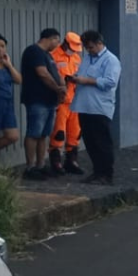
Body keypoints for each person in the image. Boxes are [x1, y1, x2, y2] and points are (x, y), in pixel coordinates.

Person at [69, 30, 122, 186]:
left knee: (102, 142)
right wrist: (75, 78)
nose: (89, 50)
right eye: (87, 48)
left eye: (91, 47)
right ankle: (97, 172)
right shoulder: (87, 58)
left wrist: (86, 81)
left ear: (100, 43)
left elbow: (110, 82)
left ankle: (106, 174)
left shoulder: (110, 60)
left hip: (99, 107)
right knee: (90, 142)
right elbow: (81, 74)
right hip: (84, 106)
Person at [19, 28, 66, 180]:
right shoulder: (34, 51)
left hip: (50, 100)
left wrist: (62, 87)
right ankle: (30, 167)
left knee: (44, 134)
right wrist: (57, 88)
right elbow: (42, 73)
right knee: (34, 132)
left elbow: (55, 73)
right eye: (57, 40)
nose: (57, 44)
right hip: (37, 99)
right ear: (50, 38)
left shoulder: (48, 55)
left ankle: (41, 165)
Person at [48, 31, 84, 175]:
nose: (73, 51)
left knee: (75, 133)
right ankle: (56, 162)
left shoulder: (76, 58)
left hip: (75, 101)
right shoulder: (53, 56)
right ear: (65, 43)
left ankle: (71, 161)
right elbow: (51, 76)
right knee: (59, 133)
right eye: (72, 48)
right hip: (61, 101)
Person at [0, 33, 22, 169]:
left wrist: (9, 65)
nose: (0, 49)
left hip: (7, 103)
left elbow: (18, 80)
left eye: (3, 46)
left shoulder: (5, 64)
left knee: (13, 136)